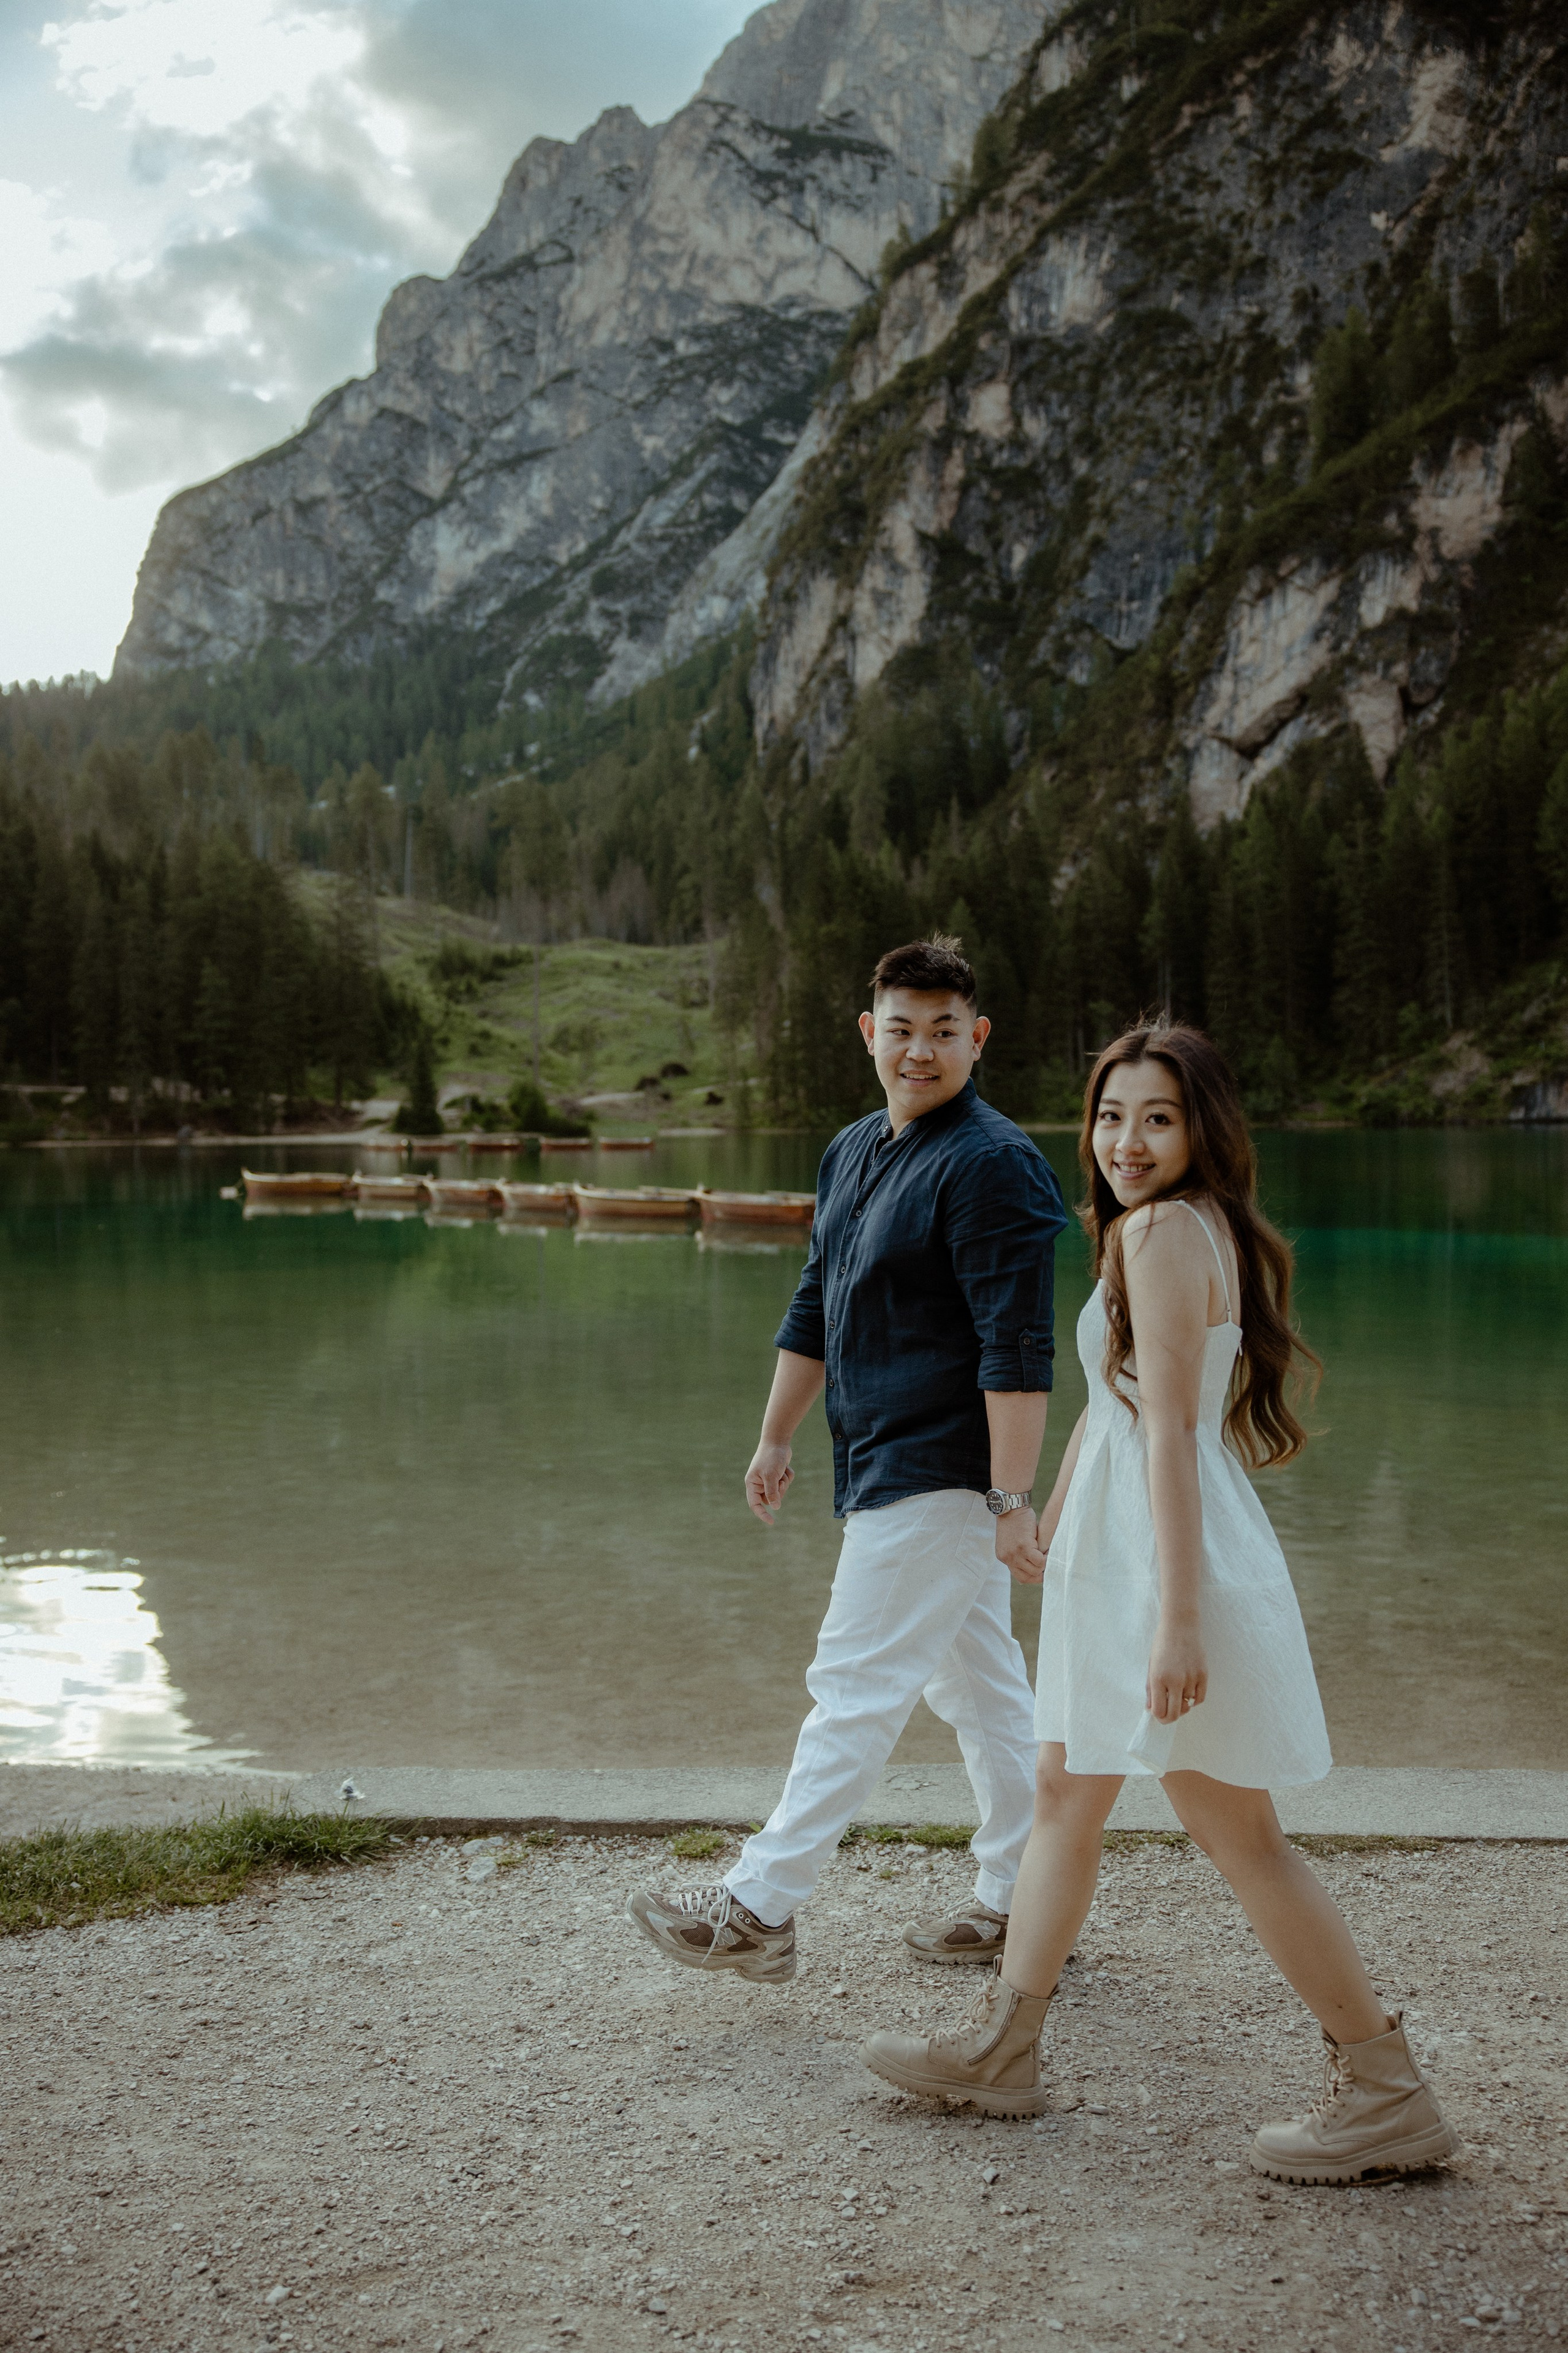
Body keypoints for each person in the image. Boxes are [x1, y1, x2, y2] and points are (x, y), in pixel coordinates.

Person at [861, 1019, 1460, 2187]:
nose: (1126, 1140)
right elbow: (1118, 1400)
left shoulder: (1167, 1232)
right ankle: (1005, 2048)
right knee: (1060, 1791)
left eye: (1159, 1118)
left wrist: (1178, 1619)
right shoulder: (1160, 1228)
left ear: (1203, 1130)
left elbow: (1178, 1438)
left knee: (1240, 1831)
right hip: (1122, 1549)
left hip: (1164, 1559)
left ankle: (1387, 2089)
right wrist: (1041, 1508)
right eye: (1111, 1115)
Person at [627, 937, 1067, 1984]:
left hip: (945, 1470)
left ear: (977, 1038)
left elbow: (1018, 1347)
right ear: (871, 1034)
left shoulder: (993, 1162)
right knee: (985, 1693)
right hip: (878, 1457)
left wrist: (1011, 1498)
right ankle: (1027, 1897)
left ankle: (757, 1906)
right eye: (902, 1029)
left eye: (944, 1031)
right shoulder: (853, 1148)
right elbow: (818, 1298)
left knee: (855, 1680)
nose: (921, 1050)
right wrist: (777, 1431)